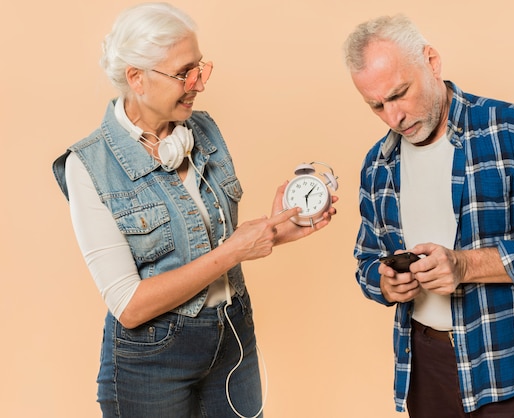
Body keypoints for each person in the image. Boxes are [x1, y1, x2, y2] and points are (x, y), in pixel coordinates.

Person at [52, 3, 336, 417]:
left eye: (200, 67)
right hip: (152, 361)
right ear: (137, 78)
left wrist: (274, 230)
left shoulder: (203, 130)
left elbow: (212, 239)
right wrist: (234, 251)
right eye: (184, 72)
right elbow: (129, 305)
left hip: (233, 336)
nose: (198, 83)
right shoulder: (88, 166)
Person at [343, 14, 514, 417]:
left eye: (400, 93)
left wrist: (464, 265)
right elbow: (366, 261)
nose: (393, 117)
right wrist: (385, 284)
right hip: (425, 370)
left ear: (432, 61)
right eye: (376, 105)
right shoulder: (378, 163)